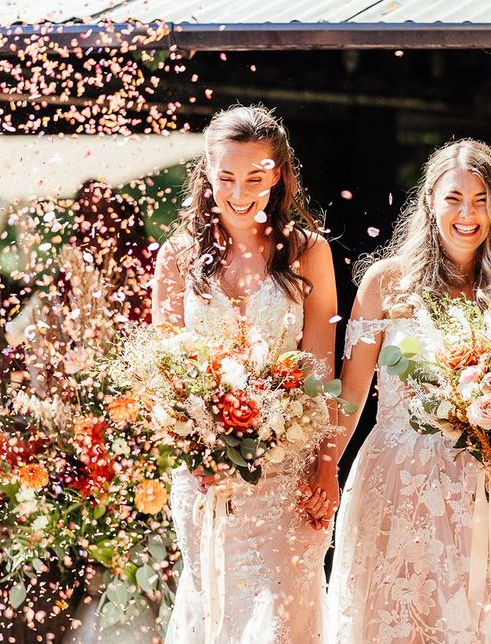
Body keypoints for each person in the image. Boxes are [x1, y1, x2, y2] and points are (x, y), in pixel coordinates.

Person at [317, 139, 491, 642]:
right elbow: (351, 391)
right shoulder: (385, 283)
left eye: (479, 200)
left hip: (476, 485)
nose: (466, 214)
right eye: (453, 198)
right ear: (430, 200)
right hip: (394, 478)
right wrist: (324, 467)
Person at [152, 105, 337, 643]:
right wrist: (195, 452)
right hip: (204, 477)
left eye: (255, 177)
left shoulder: (309, 252)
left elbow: (321, 368)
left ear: (277, 174)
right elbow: (164, 373)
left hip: (288, 479)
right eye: (227, 176)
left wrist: (326, 466)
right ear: (207, 172)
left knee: (278, 622)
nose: (239, 191)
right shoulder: (177, 256)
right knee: (214, 611)